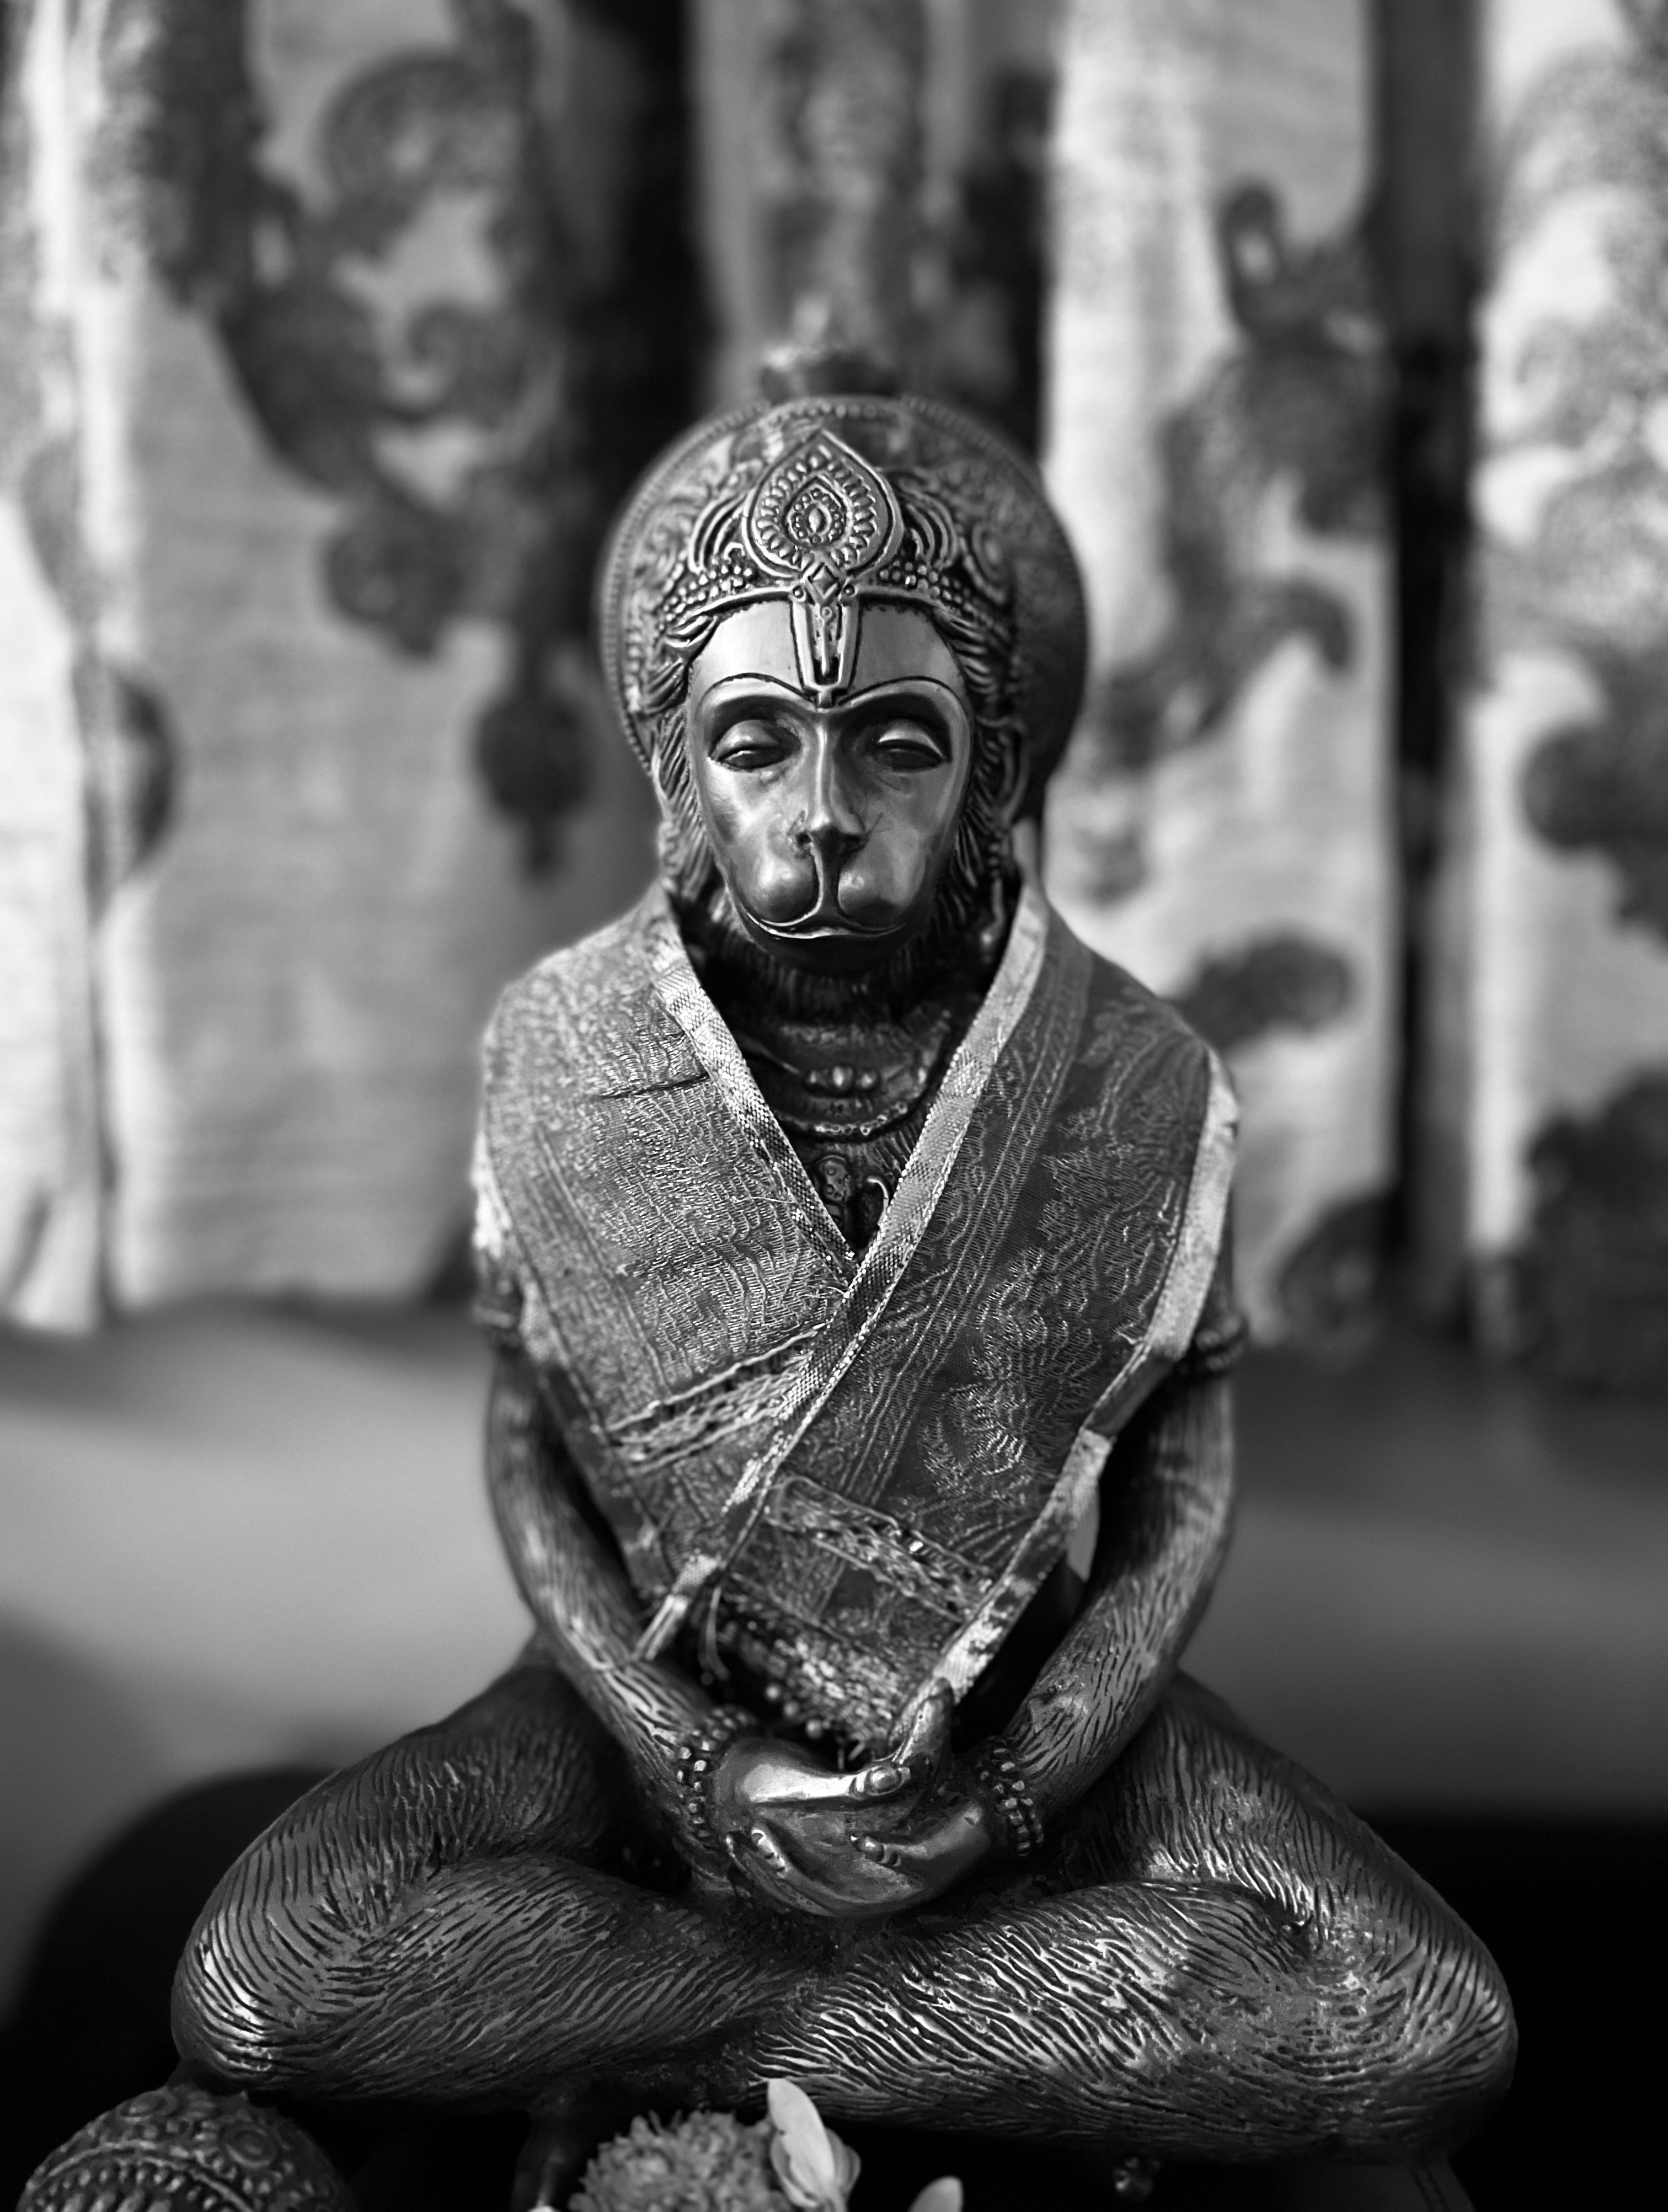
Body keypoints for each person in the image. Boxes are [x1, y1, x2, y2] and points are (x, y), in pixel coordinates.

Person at [167, 381, 1512, 2202]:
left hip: (1016, 1707)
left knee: (1421, 2017)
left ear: (992, 774)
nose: (822, 813)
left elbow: (1180, 1483)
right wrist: (693, 1762)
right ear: (678, 771)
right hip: (657, 1701)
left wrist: (1020, 1788)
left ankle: (686, 2017)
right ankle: (943, 2033)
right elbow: (530, 1437)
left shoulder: (1131, 1075)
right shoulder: (567, 1052)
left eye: (895, 745)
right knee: (266, 1978)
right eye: (756, 743)